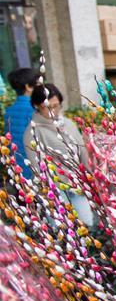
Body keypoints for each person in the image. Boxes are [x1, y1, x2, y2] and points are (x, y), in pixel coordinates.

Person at [23, 84, 94, 226]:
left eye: (56, 106)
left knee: (87, 223)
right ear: (37, 105)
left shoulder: (67, 123)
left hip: (77, 183)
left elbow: (82, 151)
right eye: (47, 107)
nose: (53, 111)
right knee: (65, 227)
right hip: (56, 188)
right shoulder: (33, 132)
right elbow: (38, 168)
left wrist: (91, 175)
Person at [5, 67, 42, 180]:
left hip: (19, 167)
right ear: (28, 87)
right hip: (36, 167)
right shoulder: (35, 110)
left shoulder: (8, 111)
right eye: (38, 84)